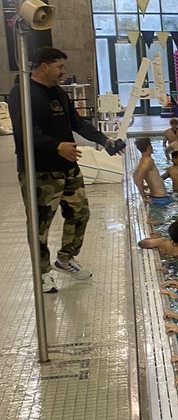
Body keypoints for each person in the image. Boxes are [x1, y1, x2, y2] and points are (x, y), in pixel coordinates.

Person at [8, 46, 125, 292]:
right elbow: (26, 132)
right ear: (44, 66)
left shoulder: (59, 94)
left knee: (80, 213)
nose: (63, 72)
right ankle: (42, 272)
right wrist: (56, 146)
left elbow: (77, 122)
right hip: (40, 171)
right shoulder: (23, 94)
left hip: (68, 167)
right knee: (40, 225)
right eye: (59, 66)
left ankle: (65, 258)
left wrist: (104, 140)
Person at [133, 136, 171, 205]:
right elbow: (137, 178)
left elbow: (136, 175)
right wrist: (144, 197)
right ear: (149, 147)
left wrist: (145, 187)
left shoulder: (143, 160)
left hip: (158, 197)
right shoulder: (147, 161)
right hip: (160, 199)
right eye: (151, 144)